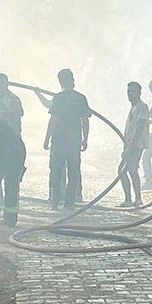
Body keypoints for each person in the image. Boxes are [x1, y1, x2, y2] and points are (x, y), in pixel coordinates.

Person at [44, 68, 90, 210]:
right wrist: (85, 139)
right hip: (74, 141)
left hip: (59, 140)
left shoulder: (58, 98)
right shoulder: (81, 98)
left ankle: (54, 201)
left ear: (60, 82)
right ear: (73, 80)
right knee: (73, 172)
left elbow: (53, 120)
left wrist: (47, 138)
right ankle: (69, 203)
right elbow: (85, 121)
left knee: (56, 171)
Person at [118, 81, 149, 207]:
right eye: (128, 91)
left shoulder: (142, 107)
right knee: (132, 170)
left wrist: (130, 147)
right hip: (131, 144)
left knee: (122, 170)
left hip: (136, 145)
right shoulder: (134, 107)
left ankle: (130, 200)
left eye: (133, 91)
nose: (130, 94)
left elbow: (139, 128)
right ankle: (136, 199)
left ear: (139, 92)